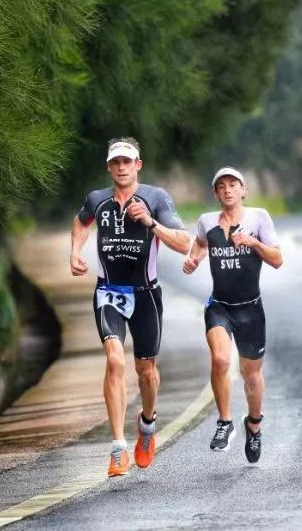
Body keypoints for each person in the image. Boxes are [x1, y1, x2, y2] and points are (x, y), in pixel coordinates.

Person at [70, 137, 190, 477]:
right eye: (115, 162)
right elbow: (81, 222)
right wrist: (75, 252)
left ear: (138, 165)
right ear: (109, 167)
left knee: (146, 372)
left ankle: (147, 425)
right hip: (108, 291)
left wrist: (152, 223)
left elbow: (184, 243)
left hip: (145, 294)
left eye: (128, 161)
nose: (122, 167)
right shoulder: (97, 200)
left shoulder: (156, 198)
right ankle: (118, 447)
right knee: (113, 359)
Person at [182, 167, 283, 463]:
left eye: (233, 185)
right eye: (221, 186)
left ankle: (254, 425)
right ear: (215, 193)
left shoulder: (259, 218)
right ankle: (224, 423)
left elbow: (277, 260)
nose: (227, 190)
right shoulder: (206, 222)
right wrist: (194, 260)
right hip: (220, 305)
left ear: (243, 190)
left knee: (251, 375)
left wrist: (253, 243)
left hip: (251, 308)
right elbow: (200, 244)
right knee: (220, 359)